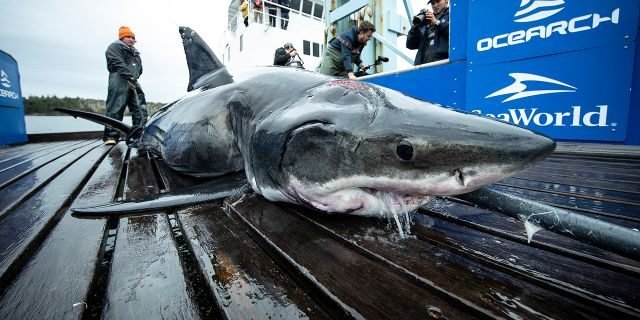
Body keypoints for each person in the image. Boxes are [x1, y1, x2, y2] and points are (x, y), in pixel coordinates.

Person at [103, 26, 148, 145]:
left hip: (134, 81)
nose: (131, 39)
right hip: (119, 79)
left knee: (140, 108)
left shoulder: (135, 52)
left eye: (133, 38)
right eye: (128, 37)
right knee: (116, 107)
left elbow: (139, 67)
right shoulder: (114, 47)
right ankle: (110, 136)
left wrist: (135, 77)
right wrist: (129, 77)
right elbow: (118, 62)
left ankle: (140, 134)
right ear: (122, 37)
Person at [406, 0, 450, 65]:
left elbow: (457, 35)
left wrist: (436, 22)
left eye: (438, 1)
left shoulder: (453, 14)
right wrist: (416, 27)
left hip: (443, 65)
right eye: (432, 3)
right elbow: (410, 45)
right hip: (424, 67)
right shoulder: (427, 21)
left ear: (446, 1)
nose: (435, 5)